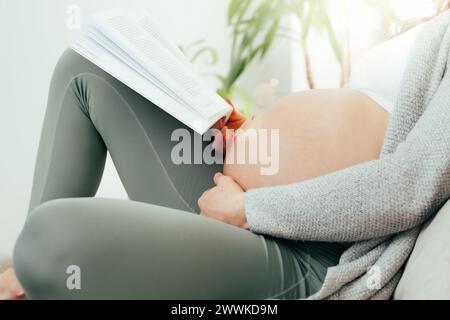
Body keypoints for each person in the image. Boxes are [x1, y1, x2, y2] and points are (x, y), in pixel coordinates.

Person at [0, 8, 441, 300]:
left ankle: (21, 276)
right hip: (227, 191)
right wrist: (249, 132)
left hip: (312, 253)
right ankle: (18, 284)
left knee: (50, 242)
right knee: (87, 67)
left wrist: (250, 208)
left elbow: (406, 187)